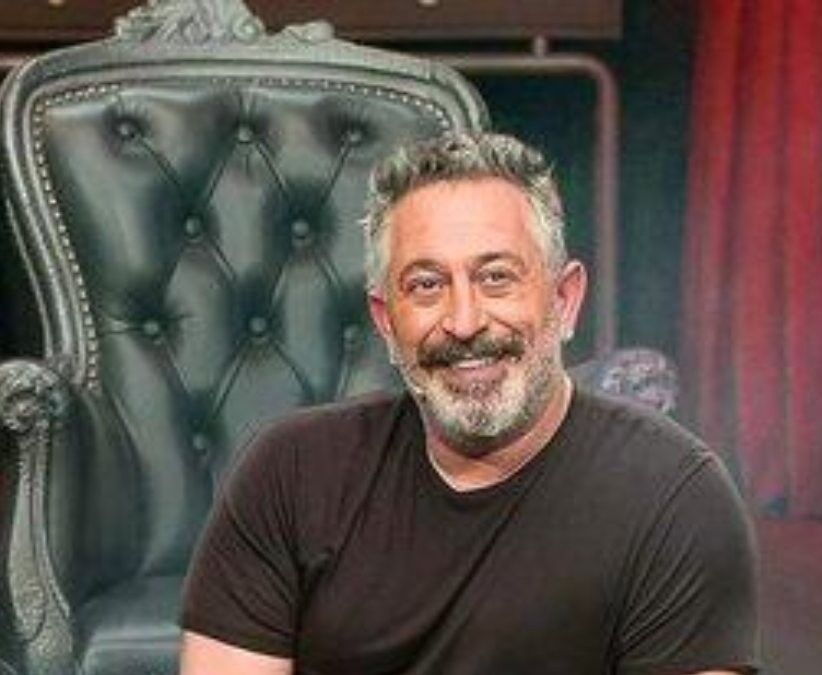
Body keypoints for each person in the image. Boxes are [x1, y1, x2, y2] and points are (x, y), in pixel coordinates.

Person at [178, 131, 760, 674]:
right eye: (427, 285)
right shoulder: (289, 473)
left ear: (564, 300)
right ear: (386, 321)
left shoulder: (675, 499)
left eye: (496, 277)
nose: (463, 321)